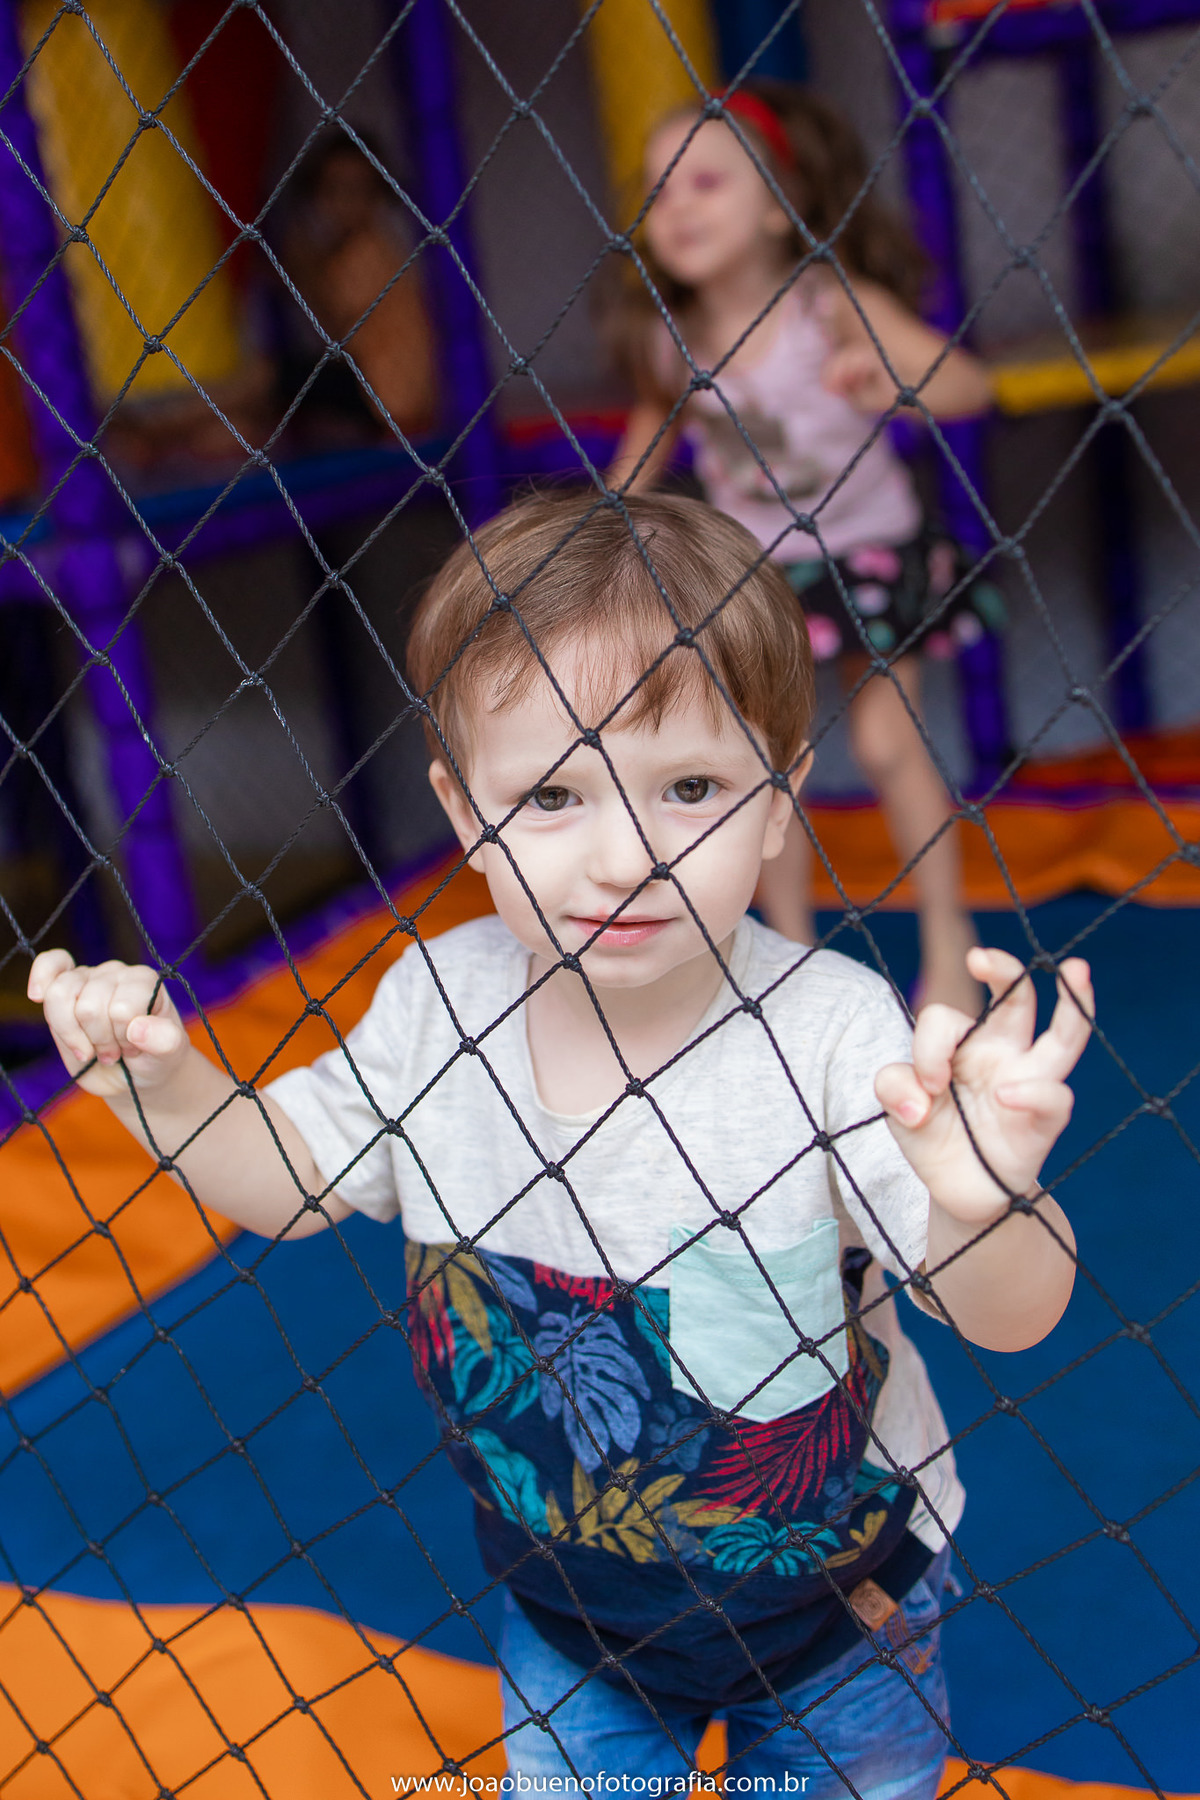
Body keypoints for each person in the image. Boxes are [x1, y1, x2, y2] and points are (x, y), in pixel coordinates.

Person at [28, 492, 1092, 1794]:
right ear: (462, 812)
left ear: (781, 805)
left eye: (690, 787)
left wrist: (988, 1203)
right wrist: (165, 1090)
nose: (624, 855)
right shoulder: (437, 1007)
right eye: (551, 794)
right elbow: (291, 1183)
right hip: (567, 1612)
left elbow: (1010, 1317)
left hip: (840, 1611)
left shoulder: (829, 1029)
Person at [607, 84, 999, 1014]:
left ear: (780, 207)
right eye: (660, 194)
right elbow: (641, 456)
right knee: (761, 764)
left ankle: (950, 939)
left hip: (868, 555)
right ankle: (782, 956)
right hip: (756, 577)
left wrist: (892, 381)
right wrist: (580, 534)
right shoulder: (674, 341)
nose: (679, 208)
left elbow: (971, 389)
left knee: (886, 742)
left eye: (704, 181)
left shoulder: (829, 303)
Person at [277, 131, 437, 442]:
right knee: (281, 385)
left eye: (357, 191)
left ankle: (168, 424)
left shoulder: (366, 252)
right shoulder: (357, 248)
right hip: (379, 389)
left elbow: (335, 331)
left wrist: (302, 270)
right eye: (333, 191)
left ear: (377, 195)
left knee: (271, 378)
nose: (343, 203)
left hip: (386, 395)